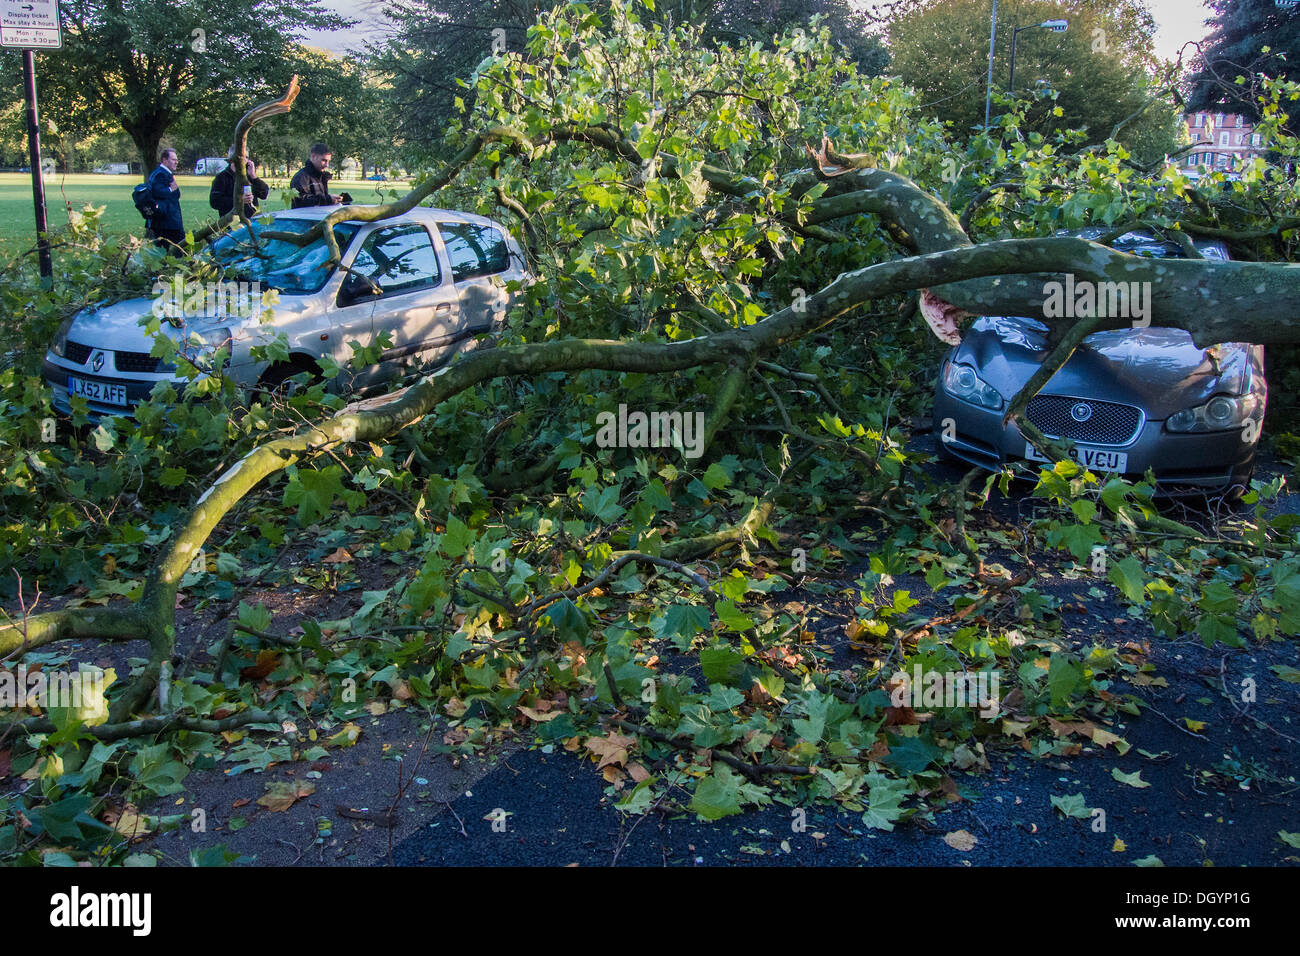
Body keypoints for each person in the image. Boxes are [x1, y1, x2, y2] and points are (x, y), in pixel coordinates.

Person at [209, 152, 270, 219]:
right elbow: (214, 202)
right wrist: (239, 200)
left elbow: (264, 194)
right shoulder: (221, 177)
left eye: (246, 157)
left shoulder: (249, 176)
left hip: (252, 222)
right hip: (231, 224)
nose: (244, 160)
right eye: (242, 156)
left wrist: (253, 176)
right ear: (233, 158)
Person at [290, 143, 351, 208]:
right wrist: (328, 199)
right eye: (324, 160)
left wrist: (333, 199)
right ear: (313, 156)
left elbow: (319, 199)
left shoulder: (321, 177)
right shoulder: (301, 177)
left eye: (328, 161)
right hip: (304, 217)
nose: (327, 165)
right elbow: (300, 201)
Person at [148, 147, 185, 253]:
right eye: (173, 159)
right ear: (164, 160)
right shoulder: (160, 174)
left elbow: (177, 194)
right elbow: (158, 192)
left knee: (170, 251)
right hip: (167, 222)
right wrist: (171, 189)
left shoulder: (165, 173)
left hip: (167, 221)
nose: (176, 162)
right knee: (175, 250)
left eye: (177, 160)